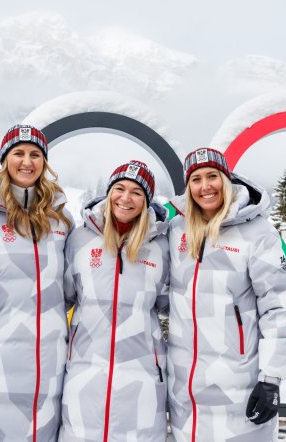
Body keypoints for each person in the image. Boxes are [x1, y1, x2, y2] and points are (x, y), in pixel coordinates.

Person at [0, 124, 74, 441]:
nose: (27, 161)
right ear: (5, 159)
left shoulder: (60, 221)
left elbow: (71, 288)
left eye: (35, 154)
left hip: (47, 365)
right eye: (18, 153)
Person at [166, 148, 286, 442]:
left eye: (212, 176)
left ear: (226, 180)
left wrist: (271, 378)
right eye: (196, 179)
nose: (205, 186)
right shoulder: (176, 231)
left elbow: (277, 306)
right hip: (185, 387)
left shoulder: (257, 232)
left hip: (238, 384)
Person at [60, 160, 170, 442]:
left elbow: (169, 302)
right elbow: (64, 297)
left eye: (136, 192)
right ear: (109, 193)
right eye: (119, 188)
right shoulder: (80, 240)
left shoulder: (159, 245)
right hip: (85, 375)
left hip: (143, 378)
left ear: (146, 202)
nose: (126, 197)